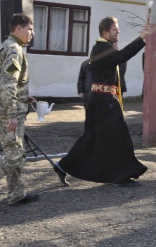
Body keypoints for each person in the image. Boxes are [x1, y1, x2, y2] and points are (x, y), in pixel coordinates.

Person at [53, 16, 150, 187]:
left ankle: (62, 166)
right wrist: (141, 37)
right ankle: (120, 176)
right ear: (105, 32)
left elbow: (118, 57)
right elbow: (122, 56)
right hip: (104, 102)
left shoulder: (101, 47)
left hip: (100, 100)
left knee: (93, 138)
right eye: (115, 29)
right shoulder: (102, 48)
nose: (118, 32)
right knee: (119, 138)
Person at [0, 14, 38, 212]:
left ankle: (17, 194)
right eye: (30, 29)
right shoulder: (14, 50)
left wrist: (25, 97)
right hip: (7, 113)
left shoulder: (5, 46)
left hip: (3, 108)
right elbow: (8, 85)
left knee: (12, 151)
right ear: (18, 29)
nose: (32, 33)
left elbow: (8, 82)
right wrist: (12, 113)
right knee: (14, 154)